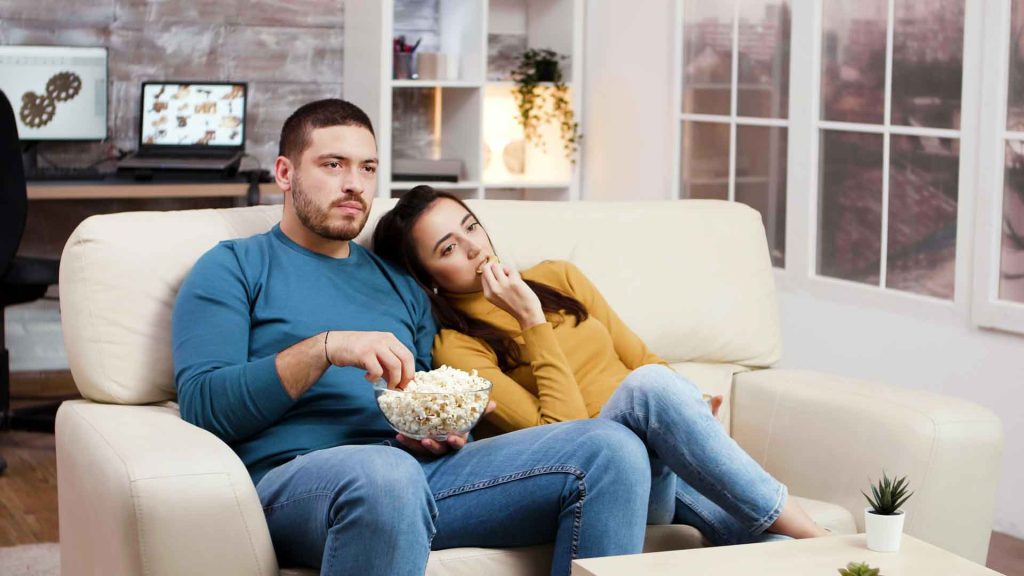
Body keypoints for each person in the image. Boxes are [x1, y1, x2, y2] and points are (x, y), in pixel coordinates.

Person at [172, 100, 653, 576]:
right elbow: (205, 406)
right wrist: (325, 348)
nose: (354, 184)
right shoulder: (233, 267)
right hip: (295, 482)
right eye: (333, 164)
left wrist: (438, 431)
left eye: (368, 168)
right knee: (386, 474)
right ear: (284, 172)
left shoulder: (401, 284)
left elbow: (416, 402)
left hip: (415, 475)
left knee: (611, 448)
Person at [371, 185, 831, 547]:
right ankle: (817, 536)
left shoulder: (559, 276)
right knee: (648, 388)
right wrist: (530, 319)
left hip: (663, 455)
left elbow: (642, 357)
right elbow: (568, 438)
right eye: (448, 248)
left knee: (762, 542)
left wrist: (687, 407)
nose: (473, 248)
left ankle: (820, 551)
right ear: (427, 278)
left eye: (471, 227)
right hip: (611, 477)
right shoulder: (458, 346)